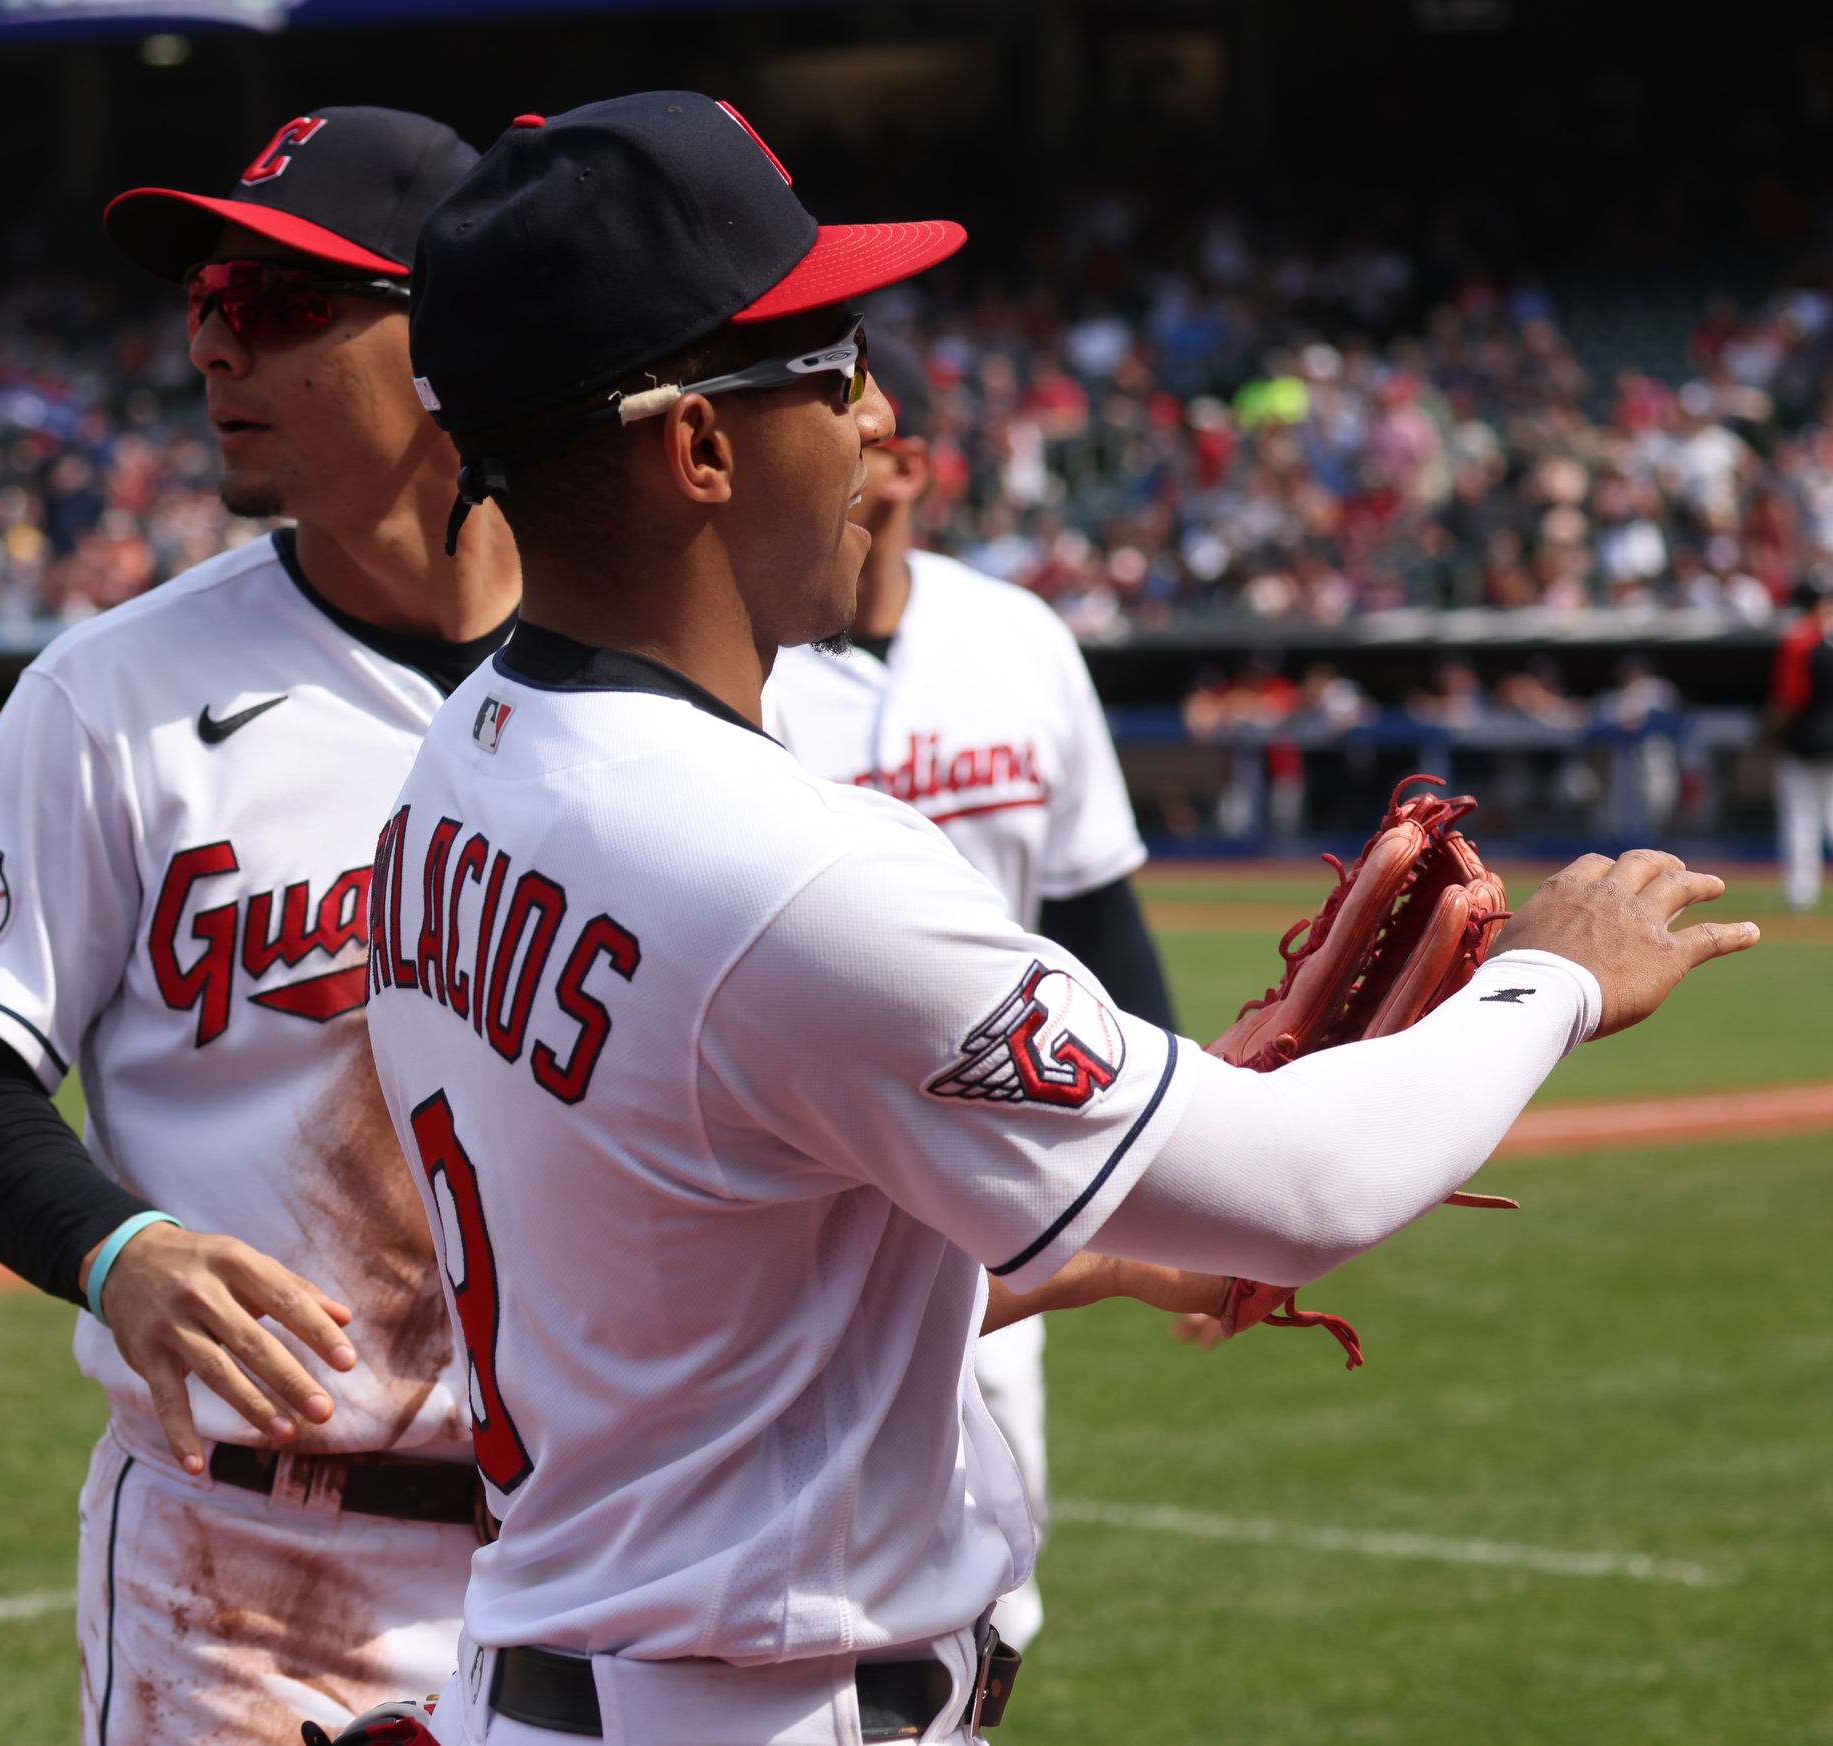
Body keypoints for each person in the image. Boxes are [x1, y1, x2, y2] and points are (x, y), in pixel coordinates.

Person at [368, 92, 1755, 1746]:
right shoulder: (782, 862)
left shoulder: (460, 763)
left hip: (561, 1676)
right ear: (702, 447)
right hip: (748, 1706)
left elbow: (720, 1288)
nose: (877, 420)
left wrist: (1103, 1248)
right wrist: (1551, 978)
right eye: (837, 364)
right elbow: (1310, 1189)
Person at [0, 108, 520, 1745]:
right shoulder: (114, 694)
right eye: (208, 298)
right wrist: (118, 1248)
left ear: (454, 338)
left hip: (599, 1554)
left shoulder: (648, 687)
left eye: (286, 302)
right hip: (241, 1565)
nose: (217, 340)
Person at [761, 328, 1173, 1649]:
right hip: (809, 1197)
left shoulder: (1018, 637)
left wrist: (1170, 1152)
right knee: (792, 1595)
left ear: (910, 467)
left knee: (996, 1601)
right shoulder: (743, 664)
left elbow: (1102, 913)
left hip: (1001, 1193)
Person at [1769, 578, 1833, 911]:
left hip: (1805, 742)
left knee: (1801, 819)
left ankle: (1801, 894)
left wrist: (1770, 732)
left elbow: (1789, 698)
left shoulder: (1800, 640)